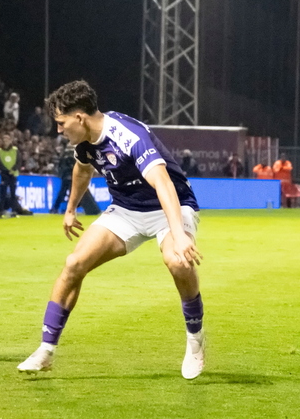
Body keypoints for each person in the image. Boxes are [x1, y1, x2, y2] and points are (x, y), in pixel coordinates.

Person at [17, 80, 205, 380]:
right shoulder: (84, 142)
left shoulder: (128, 136)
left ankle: (195, 340)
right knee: (74, 263)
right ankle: (45, 350)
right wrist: (70, 209)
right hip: (127, 210)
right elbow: (82, 169)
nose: (59, 130)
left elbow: (163, 183)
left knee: (178, 262)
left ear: (80, 118)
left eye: (61, 123)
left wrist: (180, 235)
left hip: (171, 205)